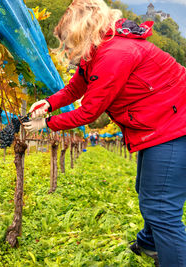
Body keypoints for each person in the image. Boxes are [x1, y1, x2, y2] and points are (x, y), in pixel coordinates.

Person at [23, 0, 186, 266]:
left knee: (161, 208)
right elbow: (76, 88)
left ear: (82, 32)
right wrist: (49, 103)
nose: (66, 49)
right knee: (148, 194)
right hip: (161, 123)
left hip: (175, 126)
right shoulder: (97, 50)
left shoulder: (114, 54)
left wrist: (48, 123)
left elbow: (88, 112)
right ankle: (150, 244)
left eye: (68, 41)